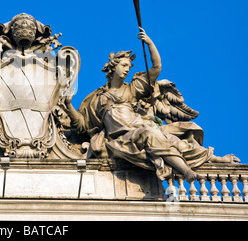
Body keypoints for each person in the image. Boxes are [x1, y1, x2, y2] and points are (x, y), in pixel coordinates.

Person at [64, 29, 239, 183]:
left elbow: (156, 68)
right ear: (113, 66)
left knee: (177, 141)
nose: (127, 69)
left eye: (129, 66)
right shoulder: (98, 97)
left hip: (140, 127)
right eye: (124, 65)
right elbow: (82, 125)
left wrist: (150, 43)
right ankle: (186, 171)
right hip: (122, 137)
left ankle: (217, 159)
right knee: (151, 135)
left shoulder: (131, 90)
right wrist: (68, 104)